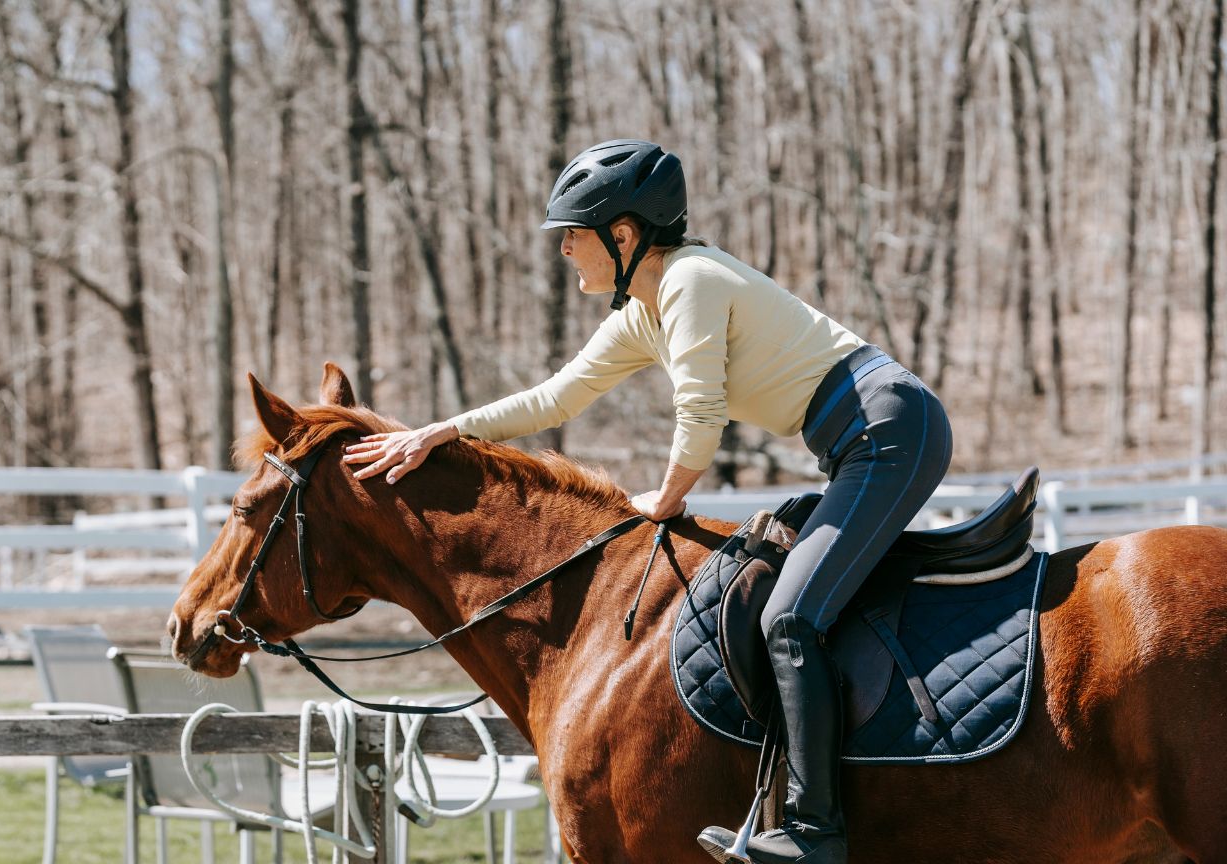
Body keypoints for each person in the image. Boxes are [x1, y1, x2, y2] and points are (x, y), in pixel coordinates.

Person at [342, 139, 952, 864]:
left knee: (791, 617)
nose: (565, 248)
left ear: (624, 235)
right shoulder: (645, 309)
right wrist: (441, 432)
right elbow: (557, 396)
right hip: (862, 438)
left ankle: (817, 832)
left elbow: (701, 409)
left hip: (890, 429)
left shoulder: (692, 280)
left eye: (574, 232)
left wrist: (664, 498)